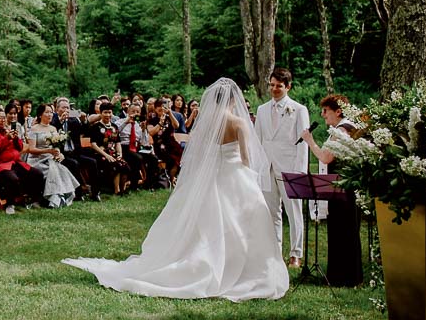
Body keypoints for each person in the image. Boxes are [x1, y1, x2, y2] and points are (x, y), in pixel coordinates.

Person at [64, 78, 290, 302]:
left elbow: (200, 153)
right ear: (234, 100)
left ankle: (206, 261)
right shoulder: (239, 123)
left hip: (211, 178)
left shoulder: (208, 121)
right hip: (235, 176)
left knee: (207, 223)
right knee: (242, 222)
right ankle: (239, 269)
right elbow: (246, 158)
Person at [301, 94, 364, 287]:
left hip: (341, 188)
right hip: (344, 186)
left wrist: (310, 141)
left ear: (338, 111)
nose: (323, 115)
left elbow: (326, 157)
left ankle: (343, 277)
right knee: (343, 231)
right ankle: (344, 275)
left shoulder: (342, 131)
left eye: (325, 111)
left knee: (342, 232)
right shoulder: (347, 128)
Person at [254, 67, 310, 268]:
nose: (275, 89)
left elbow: (303, 143)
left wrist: (299, 171)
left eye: (279, 86)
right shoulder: (261, 110)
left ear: (288, 86)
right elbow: (257, 140)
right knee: (271, 212)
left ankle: (296, 253)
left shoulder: (299, 109)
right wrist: (257, 168)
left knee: (294, 212)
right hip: (267, 168)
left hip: (289, 168)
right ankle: (275, 251)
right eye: (272, 85)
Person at [0, 108, 44, 214]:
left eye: (4, 118)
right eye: (0, 118)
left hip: (15, 162)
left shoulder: (7, 129)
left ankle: (34, 200)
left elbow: (19, 148)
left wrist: (15, 138)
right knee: (12, 179)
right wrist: (6, 138)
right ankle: (10, 204)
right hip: (0, 165)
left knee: (37, 174)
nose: (3, 120)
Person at [24, 104, 78, 208]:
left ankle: (57, 197)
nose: (50, 115)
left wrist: (59, 154)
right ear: (40, 115)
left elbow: (56, 146)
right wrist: (48, 150)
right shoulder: (34, 129)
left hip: (50, 158)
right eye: (47, 112)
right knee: (51, 171)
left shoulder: (53, 128)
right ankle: (48, 198)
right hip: (36, 160)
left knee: (61, 169)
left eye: (51, 112)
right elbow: (31, 149)